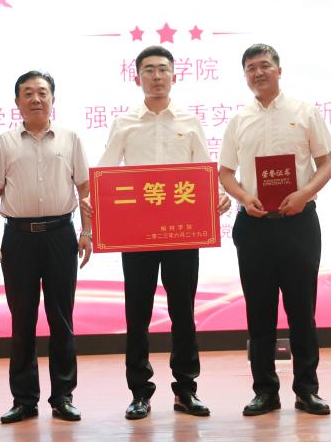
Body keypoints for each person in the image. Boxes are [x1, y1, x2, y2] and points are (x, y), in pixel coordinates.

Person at [86, 45, 230, 420]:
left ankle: (186, 390)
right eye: (148, 70)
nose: (156, 76)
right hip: (137, 234)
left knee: (184, 312)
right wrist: (90, 199)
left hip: (182, 233)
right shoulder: (124, 123)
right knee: (138, 314)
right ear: (137, 78)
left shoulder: (190, 121)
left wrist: (218, 196)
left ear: (174, 76)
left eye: (163, 69)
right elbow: (105, 169)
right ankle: (140, 393)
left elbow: (203, 171)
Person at [218, 43, 331, 416]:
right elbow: (225, 173)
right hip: (254, 226)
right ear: (245, 76)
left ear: (279, 70)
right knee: (259, 313)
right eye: (251, 68)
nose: (258, 72)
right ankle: (265, 391)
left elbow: (326, 164)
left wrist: (304, 194)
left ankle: (307, 390)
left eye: (265, 65)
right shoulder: (239, 120)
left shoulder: (304, 112)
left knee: (302, 311)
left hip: (299, 223)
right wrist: (243, 196)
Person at [0, 71, 92, 424]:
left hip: (61, 235)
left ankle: (63, 397)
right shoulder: (5, 142)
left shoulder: (70, 139)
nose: (35, 99)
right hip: (19, 238)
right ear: (17, 102)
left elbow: (85, 188)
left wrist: (88, 232)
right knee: (22, 320)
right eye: (27, 93)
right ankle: (24, 400)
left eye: (42, 92)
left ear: (53, 99)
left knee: (62, 319)